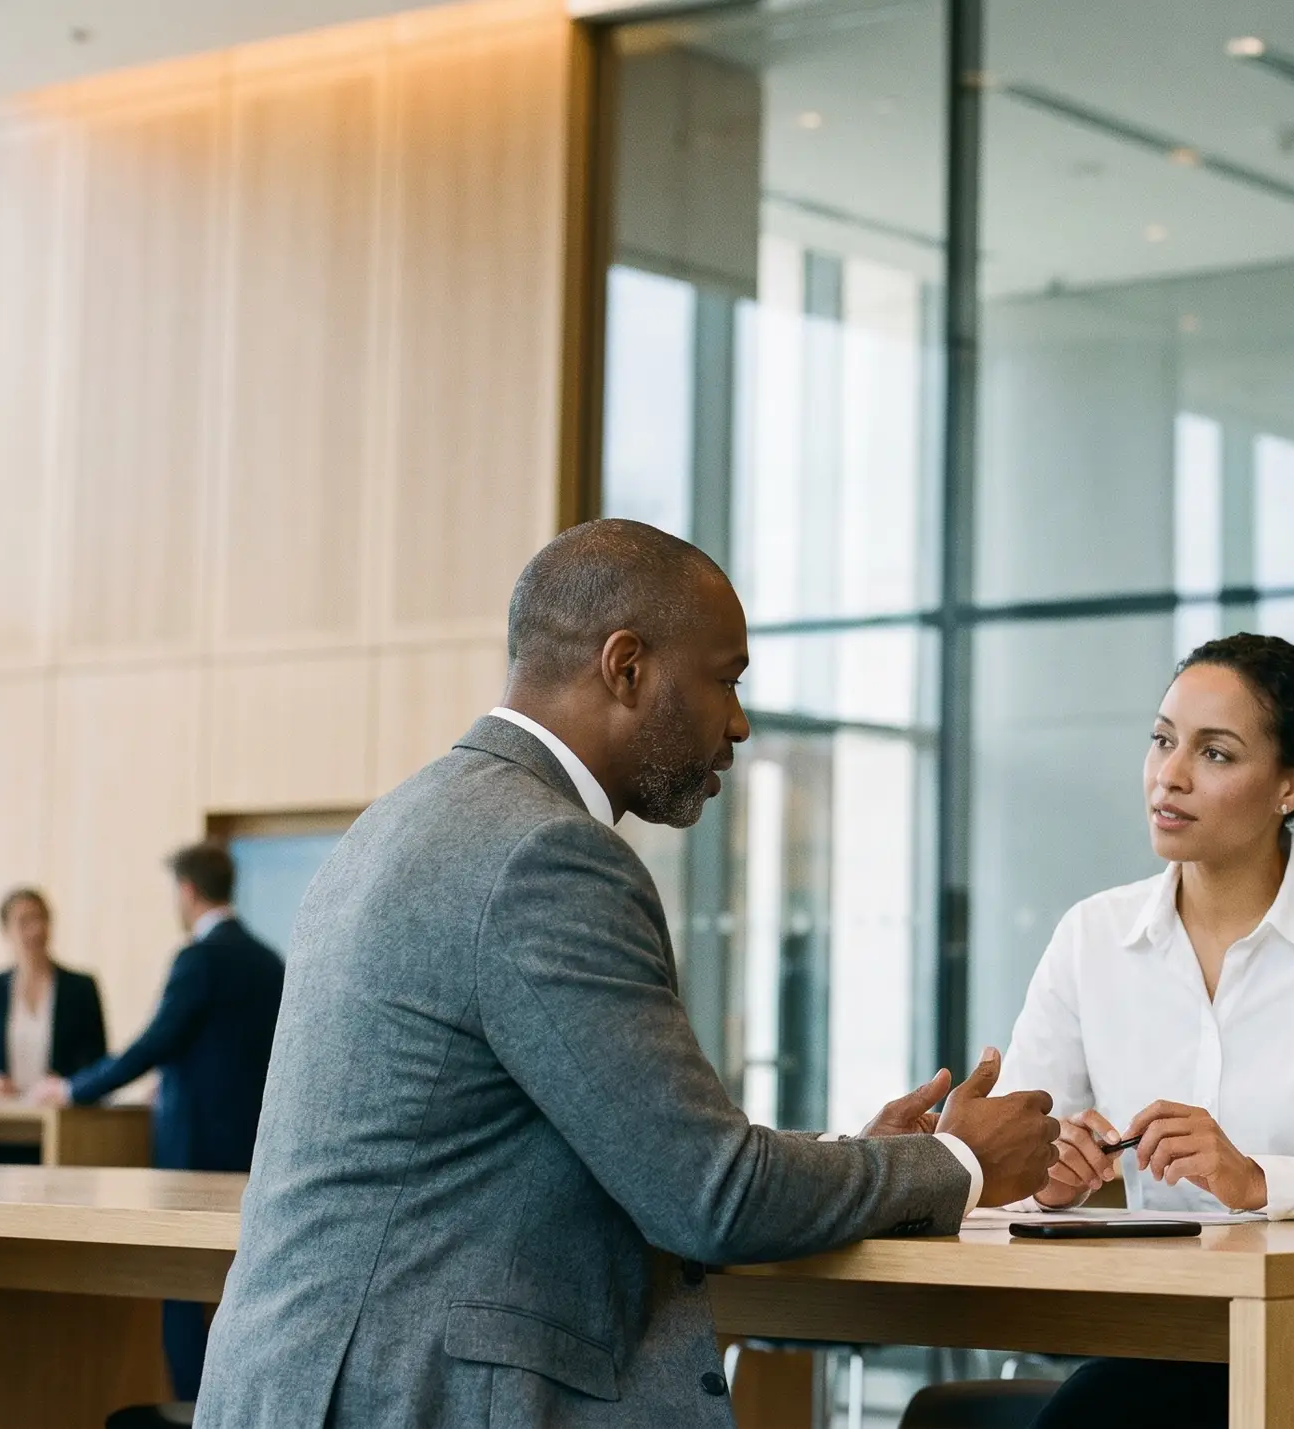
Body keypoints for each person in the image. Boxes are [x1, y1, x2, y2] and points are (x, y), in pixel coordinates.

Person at [196, 520, 1057, 1429]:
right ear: (627, 666)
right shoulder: (548, 855)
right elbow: (709, 1195)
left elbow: (636, 1146)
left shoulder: (399, 819)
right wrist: (957, 1161)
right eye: (725, 677)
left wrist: (875, 1156)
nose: (739, 721)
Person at [994, 633, 1294, 1429]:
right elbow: (1012, 1165)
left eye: (1215, 754)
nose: (1170, 775)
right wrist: (1050, 1177)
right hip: (1161, 1338)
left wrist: (1260, 1181)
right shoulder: (1093, 935)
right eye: (1162, 740)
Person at [38, 843, 284, 1405]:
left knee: (177, 1284)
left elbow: (155, 1040)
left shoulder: (197, 959)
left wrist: (75, 1087)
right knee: (237, 1286)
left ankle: (190, 1408)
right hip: (252, 1147)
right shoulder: (269, 960)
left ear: (187, 891)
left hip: (192, 1146)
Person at [0, 887, 109, 1163]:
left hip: (62, 1130)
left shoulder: (81, 988)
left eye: (41, 919)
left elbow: (99, 1062)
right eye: (24, 921)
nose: (35, 929)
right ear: (5, 930)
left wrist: (66, 1085)